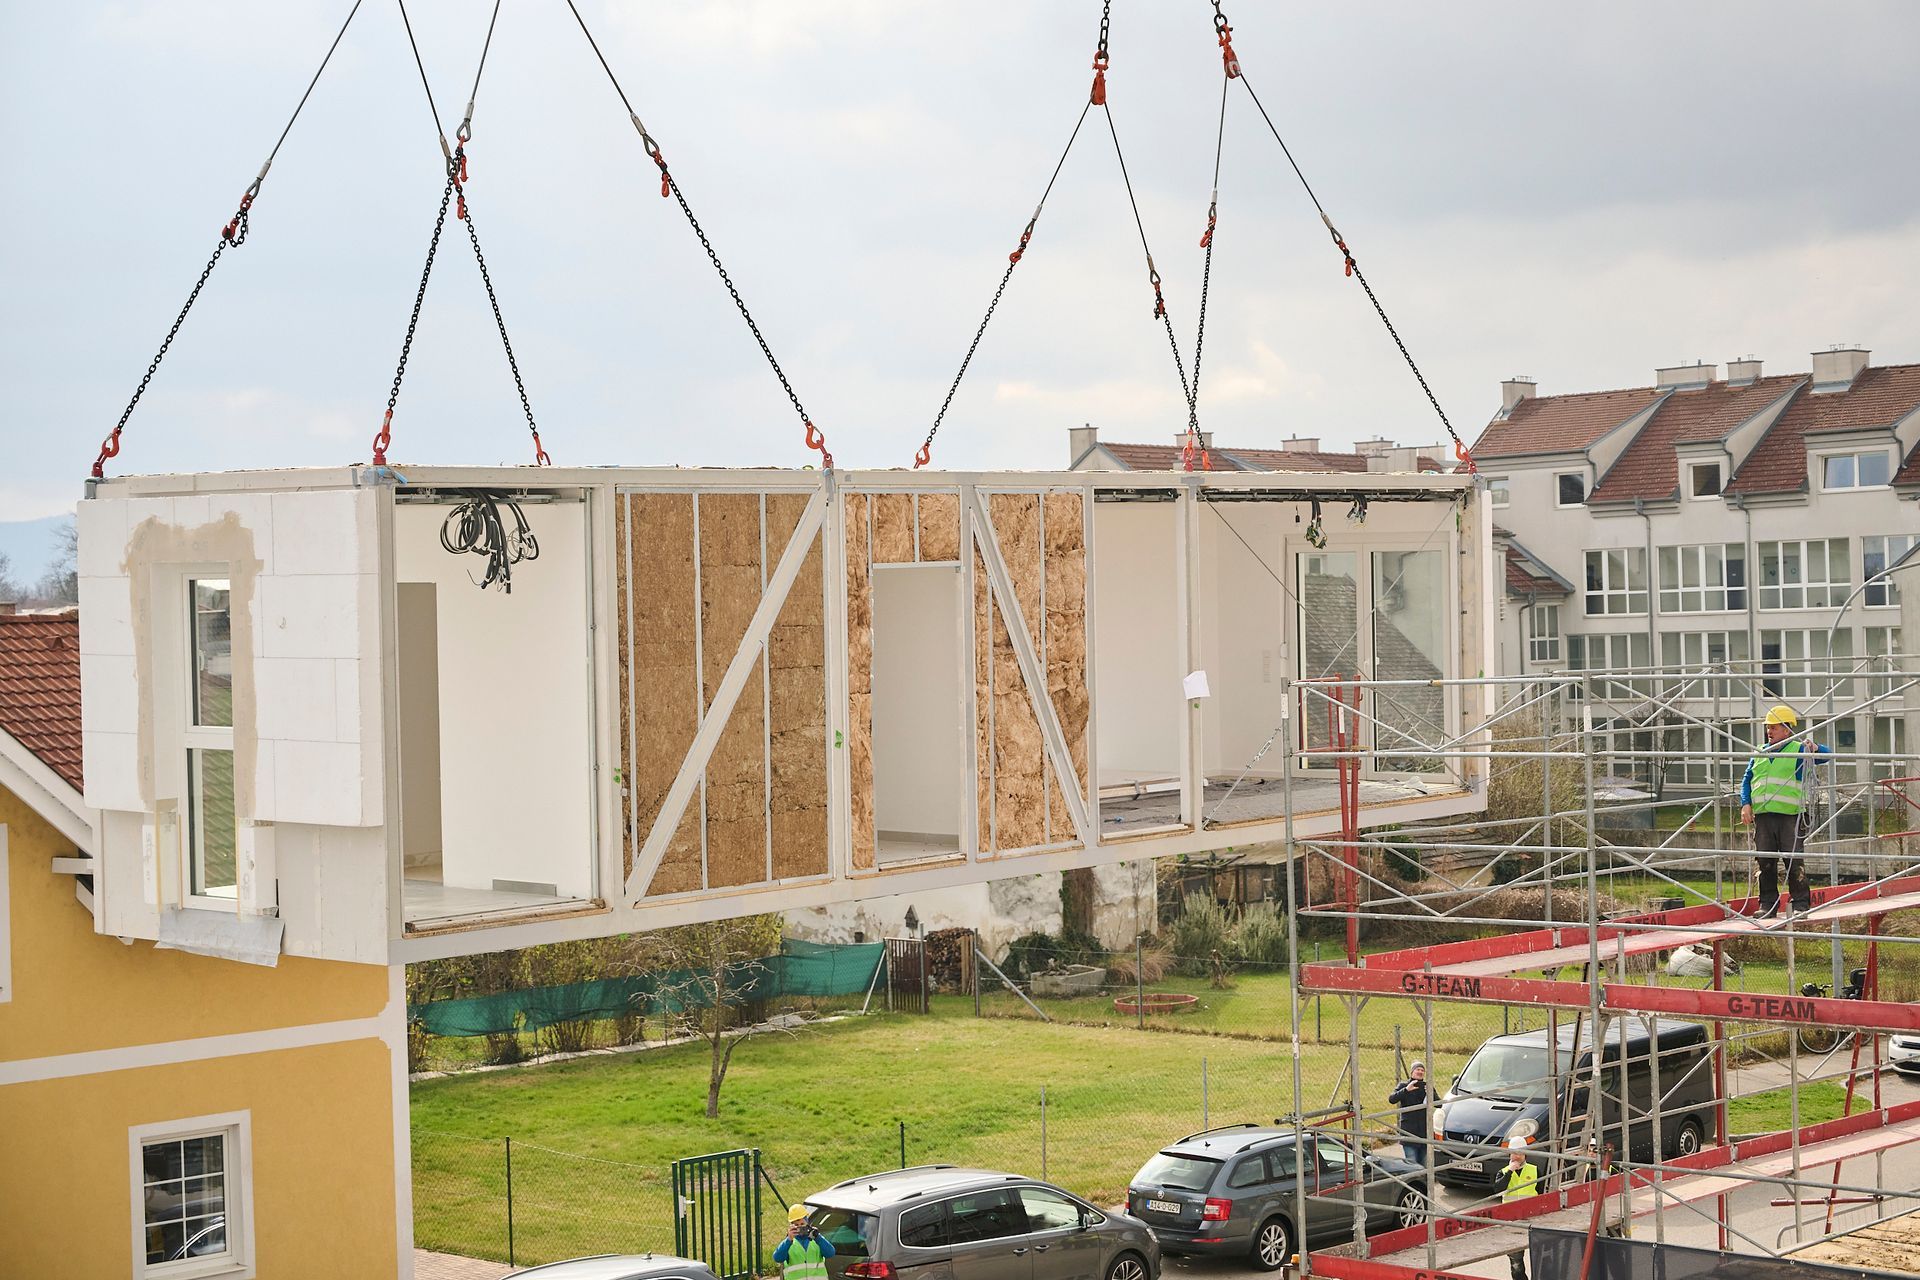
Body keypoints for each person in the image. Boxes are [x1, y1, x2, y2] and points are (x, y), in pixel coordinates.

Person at [1740, 704, 1832, 919]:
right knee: (1765, 863)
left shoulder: (1798, 750)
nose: (1769, 732)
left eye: (1773, 727)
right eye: (1768, 727)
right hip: (1763, 817)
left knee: (1793, 861)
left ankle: (1800, 904)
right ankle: (1768, 905)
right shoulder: (1759, 752)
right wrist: (1746, 804)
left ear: (1787, 730)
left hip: (1790, 816)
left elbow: (1827, 756)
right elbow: (1747, 780)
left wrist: (1815, 748)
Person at [1500, 1137, 1539, 1280]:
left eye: (1520, 1153)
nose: (1517, 1156)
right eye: (1514, 1153)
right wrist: (1510, 1171)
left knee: (1540, 1259)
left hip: (1532, 1220)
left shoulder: (1535, 1170)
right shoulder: (1503, 1172)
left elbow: (1542, 1192)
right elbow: (1497, 1188)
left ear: (1525, 1153)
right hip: (1512, 1223)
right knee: (1516, 1265)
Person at [773, 1204, 835, 1280]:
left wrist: (818, 1237)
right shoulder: (788, 1243)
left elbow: (830, 1253)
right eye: (796, 1225)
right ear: (791, 1226)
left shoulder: (816, 1239)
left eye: (802, 1224)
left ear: (807, 1223)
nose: (800, 1227)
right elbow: (778, 1258)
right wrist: (788, 1240)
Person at [1387, 1060, 1431, 1162]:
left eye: (1422, 1070)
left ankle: (1423, 1178)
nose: (1420, 1072)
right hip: (1408, 1132)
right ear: (1412, 1072)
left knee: (1425, 1164)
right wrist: (1406, 1090)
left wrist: (1430, 1093)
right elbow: (1392, 1099)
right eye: (1417, 1069)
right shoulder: (1403, 1085)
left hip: (1424, 1133)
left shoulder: (1426, 1086)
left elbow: (1439, 1104)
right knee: (1412, 1162)